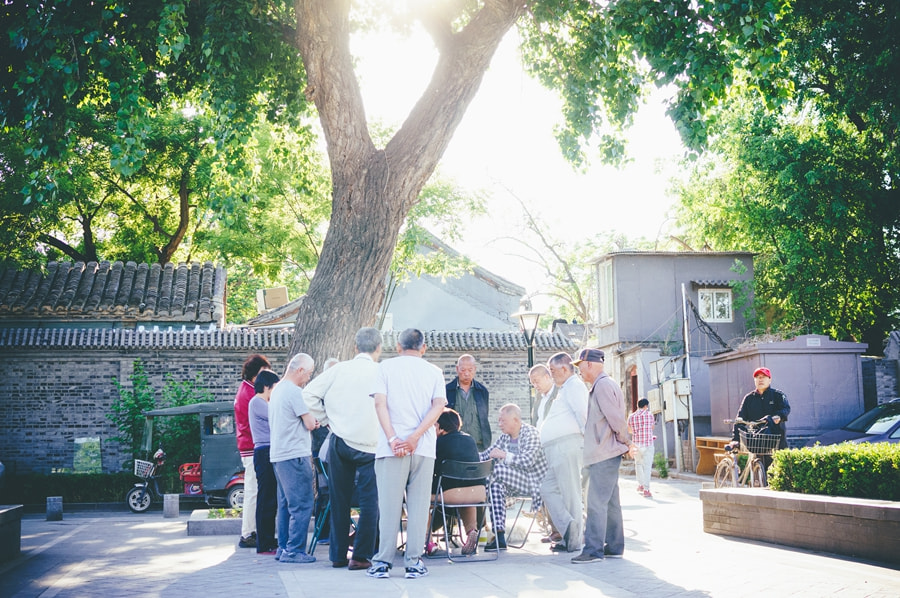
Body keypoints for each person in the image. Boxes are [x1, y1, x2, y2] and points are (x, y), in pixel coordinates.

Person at [367, 328, 447, 580]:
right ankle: (414, 562)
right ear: (423, 348)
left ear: (398, 347)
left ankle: (382, 562)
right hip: (422, 447)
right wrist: (414, 437)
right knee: (419, 506)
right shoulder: (434, 372)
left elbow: (379, 404)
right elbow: (438, 407)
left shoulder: (384, 368)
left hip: (391, 448)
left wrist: (393, 438)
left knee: (389, 507)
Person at [304, 328, 382, 571]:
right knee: (371, 502)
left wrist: (326, 419)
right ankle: (361, 556)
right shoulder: (382, 372)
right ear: (378, 348)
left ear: (355, 348)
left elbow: (307, 395)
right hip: (372, 444)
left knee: (339, 499)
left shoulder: (339, 369)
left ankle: (337, 555)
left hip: (340, 440)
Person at [571, 348, 635, 564]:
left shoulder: (603, 385)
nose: (579, 371)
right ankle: (615, 546)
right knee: (610, 502)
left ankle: (593, 550)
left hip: (603, 453)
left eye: (579, 366)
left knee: (596, 502)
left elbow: (616, 419)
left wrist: (628, 442)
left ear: (589, 364)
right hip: (604, 452)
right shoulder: (603, 385)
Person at [268, 353, 319, 564]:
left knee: (285, 505)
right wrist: (316, 421)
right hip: (295, 454)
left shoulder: (277, 389)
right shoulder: (294, 392)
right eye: (308, 373)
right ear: (299, 370)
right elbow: (309, 423)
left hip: (279, 455)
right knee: (303, 503)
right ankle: (295, 550)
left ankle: (283, 547)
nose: (308, 378)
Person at [479, 403, 548, 551]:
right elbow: (487, 454)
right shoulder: (505, 438)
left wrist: (504, 455)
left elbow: (528, 461)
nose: (499, 424)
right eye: (499, 420)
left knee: (497, 469)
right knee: (495, 486)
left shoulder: (531, 433)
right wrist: (463, 454)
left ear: (516, 420)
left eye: (503, 421)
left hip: (533, 481)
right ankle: (499, 535)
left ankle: (479, 501)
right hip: (511, 481)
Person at [540, 352, 589, 553]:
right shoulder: (565, 388)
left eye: (552, 371)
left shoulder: (575, 386)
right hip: (556, 447)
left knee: (570, 494)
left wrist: (587, 443)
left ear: (564, 368)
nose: (551, 376)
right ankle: (569, 528)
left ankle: (575, 540)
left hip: (567, 445)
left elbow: (583, 414)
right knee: (547, 488)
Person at [428, 408, 486, 556]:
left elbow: (429, 471)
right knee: (466, 491)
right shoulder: (470, 440)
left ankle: (427, 542)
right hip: (477, 494)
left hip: (450, 495)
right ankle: (471, 531)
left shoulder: (438, 443)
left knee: (418, 497)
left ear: (440, 427)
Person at [233, 353, 271, 549]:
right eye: (264, 372)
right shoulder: (251, 395)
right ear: (255, 375)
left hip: (248, 445)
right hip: (252, 446)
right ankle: (248, 532)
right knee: (253, 491)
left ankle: (251, 530)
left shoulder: (245, 390)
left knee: (254, 490)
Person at [728, 367, 791, 471]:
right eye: (757, 377)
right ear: (754, 380)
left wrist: (779, 416)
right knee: (758, 469)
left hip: (776, 439)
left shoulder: (778, 395)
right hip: (757, 441)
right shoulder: (749, 398)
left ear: (769, 379)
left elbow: (786, 409)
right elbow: (740, 418)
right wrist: (735, 439)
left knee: (780, 469)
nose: (760, 379)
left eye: (763, 377)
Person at [528, 364, 562, 545]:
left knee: (555, 490)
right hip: (541, 449)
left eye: (537, 381)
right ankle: (554, 529)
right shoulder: (539, 399)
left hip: (556, 447)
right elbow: (536, 421)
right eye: (532, 383)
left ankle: (561, 530)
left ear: (548, 376)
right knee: (544, 489)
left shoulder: (559, 394)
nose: (535, 385)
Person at [248, 369, 280, 555]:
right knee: (266, 498)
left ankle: (268, 539)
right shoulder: (257, 402)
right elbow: (278, 417)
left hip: (268, 451)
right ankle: (264, 542)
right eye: (274, 387)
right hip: (264, 452)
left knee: (270, 498)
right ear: (267, 386)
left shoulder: (261, 402)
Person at [446, 354, 492, 452]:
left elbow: (484, 418)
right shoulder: (447, 391)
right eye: (463, 370)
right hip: (454, 445)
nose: (466, 373)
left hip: (477, 445)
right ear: (457, 369)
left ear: (475, 369)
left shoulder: (482, 391)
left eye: (470, 370)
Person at [627, 398, 656, 498]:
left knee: (638, 464)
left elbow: (629, 430)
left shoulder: (631, 416)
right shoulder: (650, 415)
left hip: (636, 444)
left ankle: (640, 485)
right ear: (646, 406)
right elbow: (652, 428)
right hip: (648, 444)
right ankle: (646, 490)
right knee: (647, 467)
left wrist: (637, 431)